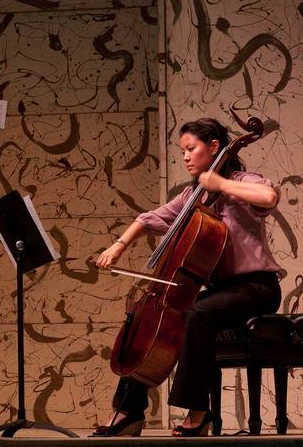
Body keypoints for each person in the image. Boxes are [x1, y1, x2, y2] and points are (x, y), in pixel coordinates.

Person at [92, 117, 282, 437]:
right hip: (222, 290)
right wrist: (118, 245)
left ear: (214, 147)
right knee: (150, 321)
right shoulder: (191, 198)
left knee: (198, 313)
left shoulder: (239, 182)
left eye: (191, 149)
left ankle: (198, 412)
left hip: (257, 287)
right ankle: (129, 411)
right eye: (182, 151)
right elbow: (148, 219)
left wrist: (220, 184)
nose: (185, 157)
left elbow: (269, 197)